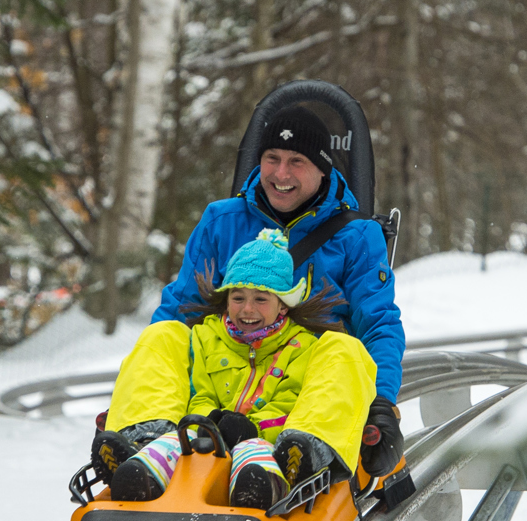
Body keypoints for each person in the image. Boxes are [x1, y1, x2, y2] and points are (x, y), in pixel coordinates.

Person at [153, 104, 406, 478]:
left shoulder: (356, 236)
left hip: (303, 389)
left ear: (324, 169)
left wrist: (382, 403)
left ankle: (305, 450)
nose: (280, 173)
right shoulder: (222, 221)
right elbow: (182, 309)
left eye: (296, 161)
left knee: (345, 348)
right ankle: (148, 435)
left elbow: (378, 324)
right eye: (272, 158)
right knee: (163, 335)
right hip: (221, 380)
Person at [93, 230, 376, 509]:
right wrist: (210, 422)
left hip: (270, 446)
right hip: (195, 442)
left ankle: (296, 467)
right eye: (238, 298)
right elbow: (198, 392)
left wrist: (253, 428)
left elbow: (292, 405)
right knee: (163, 334)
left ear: (283, 307)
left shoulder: (302, 349)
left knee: (343, 350)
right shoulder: (205, 339)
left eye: (261, 299)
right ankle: (142, 453)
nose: (247, 310)